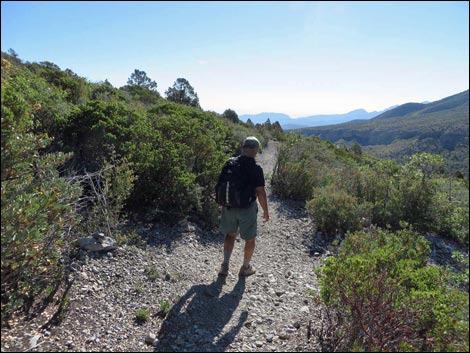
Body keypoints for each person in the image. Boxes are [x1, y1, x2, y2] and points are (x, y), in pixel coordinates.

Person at [218, 136, 269, 277]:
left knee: (230, 235)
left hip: (229, 206)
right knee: (250, 239)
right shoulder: (256, 168)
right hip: (247, 208)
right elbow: (260, 192)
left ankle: (225, 266)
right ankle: (245, 267)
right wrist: (265, 210)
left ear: (243, 147)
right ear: (255, 150)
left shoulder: (229, 163)